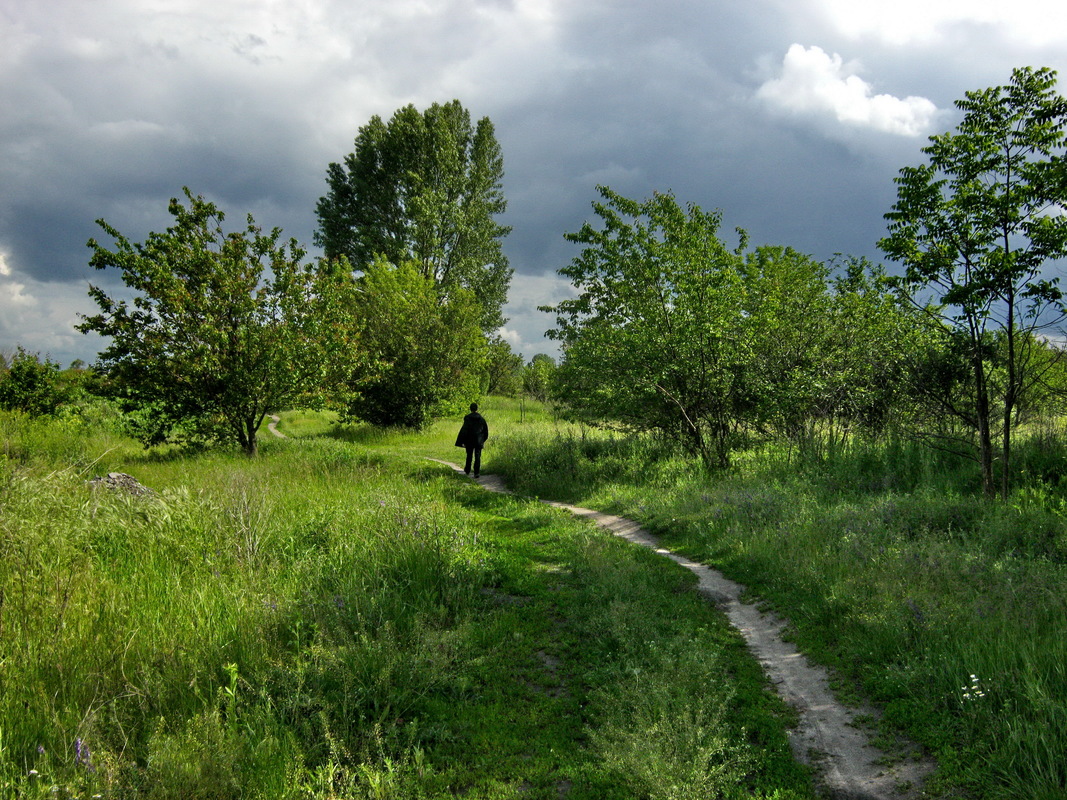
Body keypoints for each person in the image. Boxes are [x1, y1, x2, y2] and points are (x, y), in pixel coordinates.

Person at [455, 402, 489, 477]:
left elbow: (464, 430)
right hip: (478, 440)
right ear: (477, 409)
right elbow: (486, 431)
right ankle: (476, 472)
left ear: (470, 409)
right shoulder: (482, 419)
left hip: (469, 440)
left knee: (469, 455)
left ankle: (467, 470)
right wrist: (482, 440)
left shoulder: (467, 418)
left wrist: (462, 441)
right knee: (477, 456)